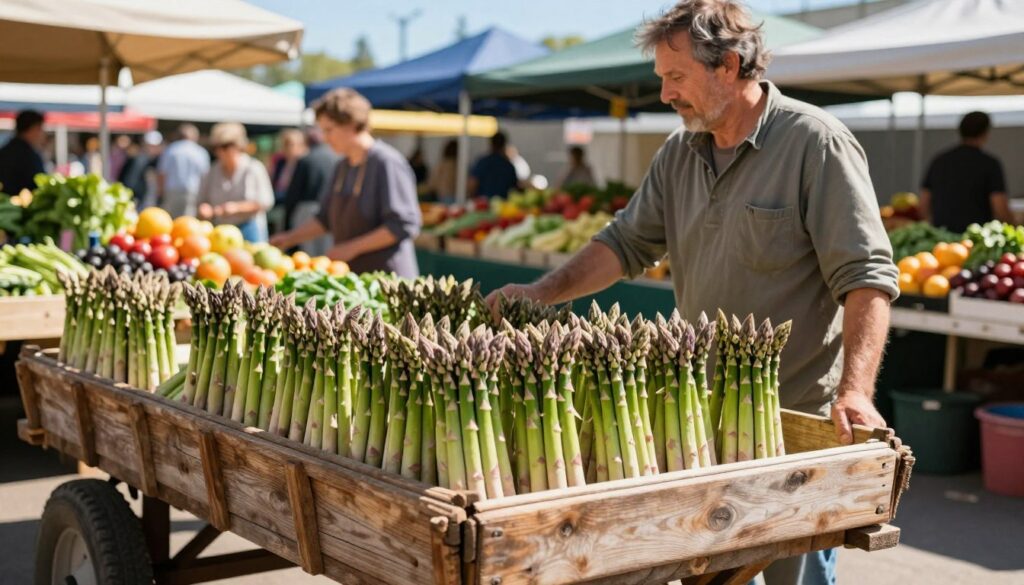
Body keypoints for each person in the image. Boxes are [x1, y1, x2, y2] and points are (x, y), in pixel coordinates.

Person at [485, 2, 897, 584]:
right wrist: (540, 292)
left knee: (790, 576)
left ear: (728, 65)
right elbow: (625, 243)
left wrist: (856, 391)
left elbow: (867, 277)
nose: (664, 94)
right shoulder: (680, 152)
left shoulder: (815, 143)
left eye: (675, 78)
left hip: (793, 422)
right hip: (699, 418)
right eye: (661, 79)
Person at [270, 88, 421, 278]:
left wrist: (351, 248)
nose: (325, 138)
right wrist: (289, 238)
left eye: (329, 130)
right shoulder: (342, 166)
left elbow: (404, 225)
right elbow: (324, 219)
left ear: (351, 124)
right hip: (354, 280)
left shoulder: (387, 162)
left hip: (388, 281)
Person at [920, 111, 1011, 232]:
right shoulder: (989, 164)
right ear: (985, 133)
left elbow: (924, 203)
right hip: (976, 240)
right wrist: (1013, 224)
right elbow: (1000, 208)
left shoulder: (939, 161)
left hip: (941, 240)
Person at [196, 123, 275, 242]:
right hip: (220, 231)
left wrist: (237, 208)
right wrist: (204, 209)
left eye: (225, 146)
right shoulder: (212, 171)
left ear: (238, 146)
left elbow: (266, 201)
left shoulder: (253, 168)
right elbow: (202, 200)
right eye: (216, 147)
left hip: (249, 228)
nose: (220, 152)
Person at [281, 127, 339, 256]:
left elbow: (294, 193)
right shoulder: (336, 158)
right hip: (330, 209)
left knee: (308, 253)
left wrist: (287, 222)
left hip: (307, 211)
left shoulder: (306, 160)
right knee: (326, 251)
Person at [158, 123, 210, 218]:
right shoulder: (201, 152)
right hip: (193, 192)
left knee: (170, 220)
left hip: (172, 191)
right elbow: (205, 175)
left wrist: (161, 192)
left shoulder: (171, 150)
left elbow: (162, 173)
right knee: (188, 221)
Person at [0, 109, 46, 195]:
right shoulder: (29, 156)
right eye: (41, 129)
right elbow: (39, 184)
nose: (43, 134)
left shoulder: (5, 150)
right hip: (21, 206)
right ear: (33, 128)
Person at [468, 131, 520, 199]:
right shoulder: (509, 166)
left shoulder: (482, 162)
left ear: (491, 144)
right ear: (504, 145)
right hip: (503, 206)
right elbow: (514, 189)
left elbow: (472, 184)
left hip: (483, 204)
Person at [118, 131, 163, 207]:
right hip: (137, 200)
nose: (153, 148)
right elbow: (130, 181)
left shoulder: (154, 159)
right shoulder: (139, 159)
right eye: (150, 145)